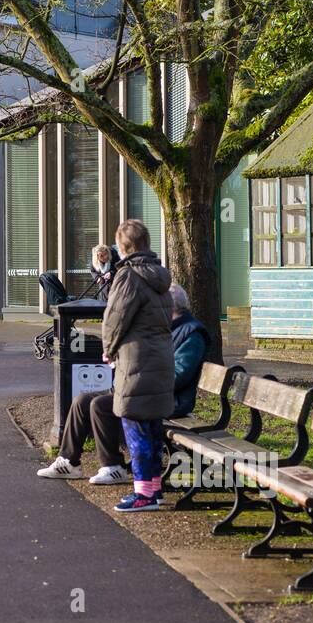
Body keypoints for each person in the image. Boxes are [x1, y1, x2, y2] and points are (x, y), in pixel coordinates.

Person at [102, 219, 176, 513]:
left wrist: (108, 350)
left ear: (123, 247)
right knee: (152, 426)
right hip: (159, 359)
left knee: (135, 425)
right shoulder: (159, 277)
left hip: (136, 361)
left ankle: (143, 494)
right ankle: (153, 488)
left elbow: (115, 318)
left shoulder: (128, 276)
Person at [169, 283, 213, 418]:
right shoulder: (171, 328)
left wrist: (146, 386)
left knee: (114, 407)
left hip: (174, 402)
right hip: (161, 398)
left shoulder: (192, 334)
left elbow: (179, 375)